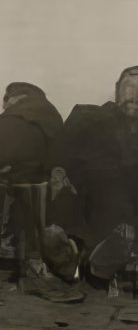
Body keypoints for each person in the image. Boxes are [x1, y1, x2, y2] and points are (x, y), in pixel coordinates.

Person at [0, 82, 82, 305]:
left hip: (1, 155)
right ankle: (31, 271)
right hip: (27, 162)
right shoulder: (42, 117)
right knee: (24, 181)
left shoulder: (15, 115)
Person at [49, 66, 138, 282]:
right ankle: (94, 257)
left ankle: (98, 259)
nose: (135, 95)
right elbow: (60, 154)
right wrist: (58, 170)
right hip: (94, 190)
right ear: (117, 90)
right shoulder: (91, 117)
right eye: (129, 87)